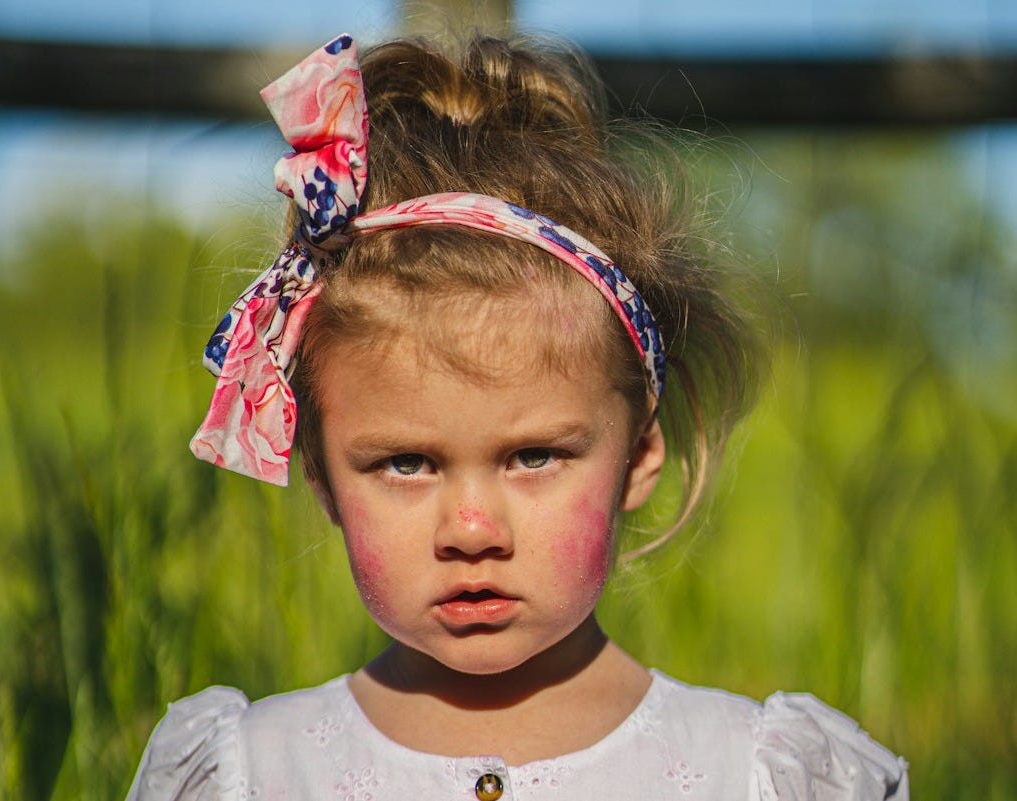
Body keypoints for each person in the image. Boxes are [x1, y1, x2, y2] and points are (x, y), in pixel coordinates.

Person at [126, 32, 908, 801]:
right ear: (323, 477)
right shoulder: (250, 772)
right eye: (406, 462)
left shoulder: (760, 774)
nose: (472, 528)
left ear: (639, 457)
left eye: (533, 455)